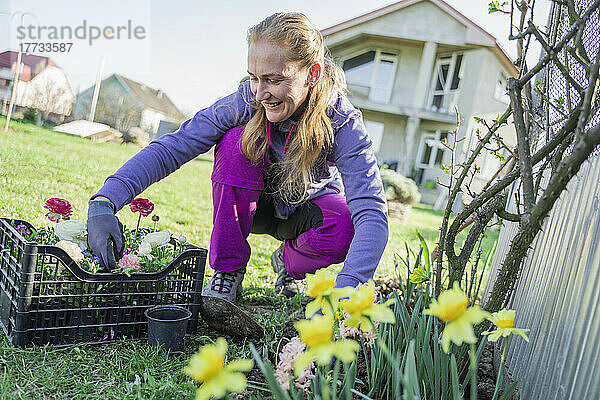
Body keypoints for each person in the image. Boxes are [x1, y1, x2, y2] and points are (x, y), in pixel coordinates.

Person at [87, 12, 389, 304]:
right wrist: (105, 201)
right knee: (234, 142)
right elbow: (175, 146)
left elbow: (372, 211)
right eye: (254, 78)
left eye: (273, 79)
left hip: (304, 212)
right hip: (251, 204)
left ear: (312, 73)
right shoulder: (245, 100)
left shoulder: (343, 121)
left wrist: (347, 290)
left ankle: (287, 263)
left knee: (343, 224)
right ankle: (228, 272)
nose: (260, 93)